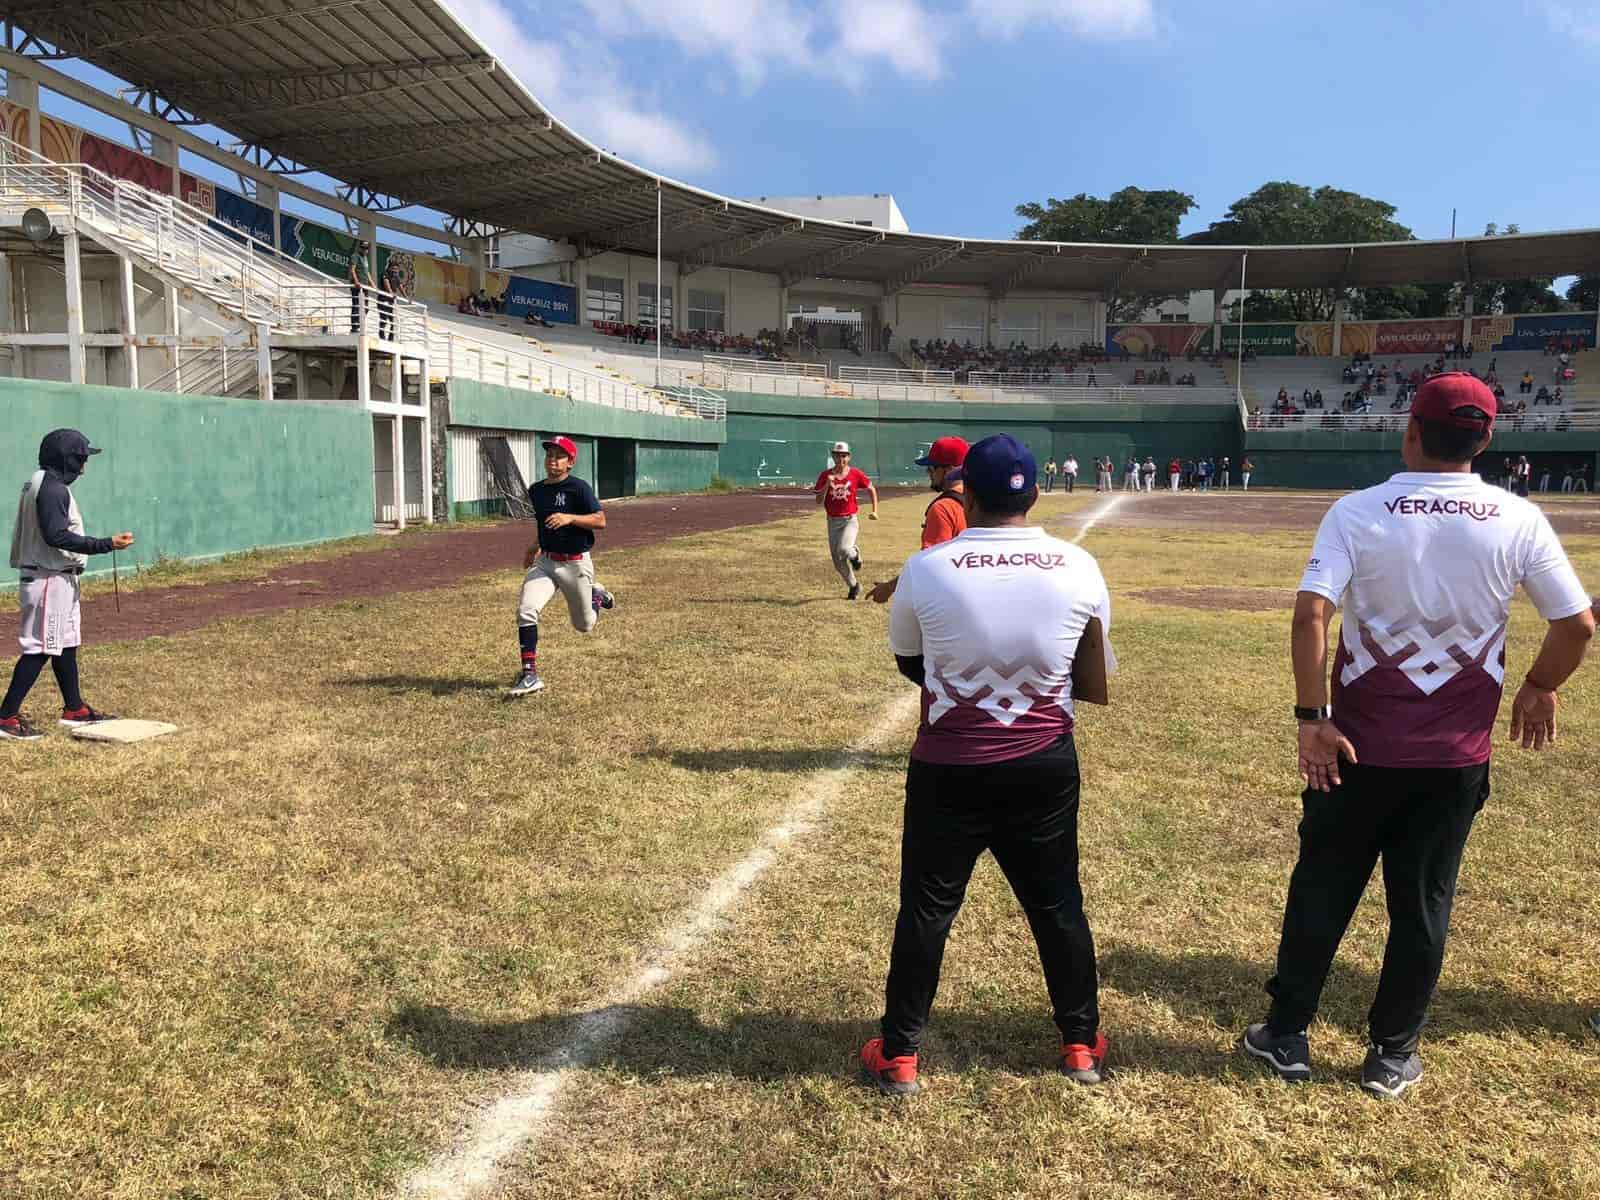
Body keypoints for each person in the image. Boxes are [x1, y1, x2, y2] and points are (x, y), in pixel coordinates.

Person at [1240, 373, 1594, 1099]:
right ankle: (1391, 1053)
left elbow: (1313, 614)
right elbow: (1578, 623)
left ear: (1411, 429)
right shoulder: (1517, 518)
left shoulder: (1357, 511)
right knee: (1423, 902)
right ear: (1487, 438)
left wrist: (1312, 722)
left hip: (1352, 750)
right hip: (1453, 756)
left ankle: (1286, 1035)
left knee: (1322, 888)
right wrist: (1540, 687)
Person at [861, 434, 1114, 1096]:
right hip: (1044, 761)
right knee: (1058, 903)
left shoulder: (928, 568)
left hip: (950, 762)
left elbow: (910, 663)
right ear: (1034, 493)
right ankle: (1081, 1043)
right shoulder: (1080, 565)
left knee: (926, 909)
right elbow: (1090, 666)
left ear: (965, 492)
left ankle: (902, 1054)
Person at [2, 429, 134, 740]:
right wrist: (106, 544)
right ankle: (5, 717)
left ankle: (74, 709)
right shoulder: (53, 489)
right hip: (48, 578)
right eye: (80, 459)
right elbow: (56, 535)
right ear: (66, 460)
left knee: (65, 644)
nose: (84, 468)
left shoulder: (40, 482)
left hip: (55, 576)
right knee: (40, 648)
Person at [508, 436, 616, 697]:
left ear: (570, 462)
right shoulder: (537, 490)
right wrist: (532, 548)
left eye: (559, 455)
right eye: (549, 454)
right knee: (526, 609)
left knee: (584, 625)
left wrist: (570, 517)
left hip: (575, 564)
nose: (552, 459)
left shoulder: (579, 488)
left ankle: (597, 596)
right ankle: (530, 674)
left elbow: (600, 520)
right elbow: (544, 525)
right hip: (546, 562)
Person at [868, 437, 968, 604]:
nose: (928, 473)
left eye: (931, 468)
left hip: (950, 599)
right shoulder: (981, 501)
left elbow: (929, 566)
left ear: (948, 470)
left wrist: (889, 588)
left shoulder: (943, 508)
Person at [814, 441, 878, 600]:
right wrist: (827, 485)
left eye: (844, 455)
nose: (841, 458)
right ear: (833, 456)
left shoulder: (855, 474)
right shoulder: (825, 475)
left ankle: (855, 553)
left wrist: (875, 510)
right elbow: (818, 500)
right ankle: (854, 586)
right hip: (832, 521)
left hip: (850, 519)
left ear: (849, 457)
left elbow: (871, 488)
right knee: (837, 562)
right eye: (837, 455)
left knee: (844, 549)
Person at [378, 252, 410, 342]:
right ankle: (382, 337)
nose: (395, 271)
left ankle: (390, 339)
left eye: (397, 269)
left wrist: (406, 297)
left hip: (391, 302)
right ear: (390, 268)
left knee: (393, 321)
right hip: (383, 300)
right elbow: (386, 283)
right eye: (394, 269)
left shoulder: (396, 276)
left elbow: (400, 287)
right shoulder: (385, 273)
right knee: (383, 319)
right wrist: (391, 293)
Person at [348, 239, 375, 333]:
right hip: (357, 286)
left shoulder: (365, 258)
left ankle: (358, 325)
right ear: (360, 247)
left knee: (366, 307)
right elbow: (352, 269)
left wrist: (373, 285)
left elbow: (367, 273)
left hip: (365, 286)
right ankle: (354, 328)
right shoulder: (355, 256)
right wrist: (356, 281)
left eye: (367, 248)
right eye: (363, 248)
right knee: (356, 305)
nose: (365, 250)